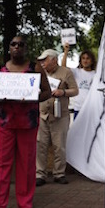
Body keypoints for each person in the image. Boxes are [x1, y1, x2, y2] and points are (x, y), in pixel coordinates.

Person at [0, 35, 51, 208]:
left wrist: (33, 97)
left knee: (26, 165)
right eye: (13, 44)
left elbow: (47, 92)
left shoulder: (35, 68)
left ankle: (25, 203)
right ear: (9, 48)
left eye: (21, 44)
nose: (17, 46)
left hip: (27, 123)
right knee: (2, 164)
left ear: (26, 48)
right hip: (5, 124)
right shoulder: (0, 69)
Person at [35, 48, 78, 186]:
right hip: (42, 114)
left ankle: (59, 173)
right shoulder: (39, 73)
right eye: (41, 61)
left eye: (44, 60)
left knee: (59, 146)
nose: (42, 63)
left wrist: (63, 92)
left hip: (60, 115)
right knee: (40, 145)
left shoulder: (66, 72)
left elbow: (75, 90)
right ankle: (40, 174)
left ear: (53, 60)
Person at [61, 43, 96, 118]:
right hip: (78, 108)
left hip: (91, 109)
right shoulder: (76, 72)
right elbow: (63, 68)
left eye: (87, 58)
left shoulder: (95, 74)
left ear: (92, 61)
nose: (85, 60)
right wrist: (66, 52)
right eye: (83, 58)